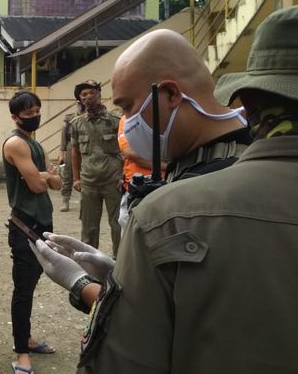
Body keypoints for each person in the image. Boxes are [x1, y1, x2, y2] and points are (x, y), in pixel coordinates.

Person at [31, 25, 264, 372]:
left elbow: (153, 335)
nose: (126, 122)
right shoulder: (204, 161)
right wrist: (124, 274)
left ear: (170, 94)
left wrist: (83, 287)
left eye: (128, 107)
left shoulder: (204, 193)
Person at [2, 91, 62, 373]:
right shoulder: (16, 143)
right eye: (28, 113)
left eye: (37, 110)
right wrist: (44, 176)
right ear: (15, 117)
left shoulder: (34, 145)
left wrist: (44, 176)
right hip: (24, 225)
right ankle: (22, 352)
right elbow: (39, 185)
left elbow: (57, 183)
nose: (34, 116)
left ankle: (26, 337)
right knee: (23, 290)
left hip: (43, 223)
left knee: (33, 284)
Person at [69, 80, 123, 257]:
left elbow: (126, 149)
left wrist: (125, 176)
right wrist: (76, 178)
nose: (87, 97)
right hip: (89, 182)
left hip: (114, 181)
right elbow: (75, 153)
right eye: (83, 95)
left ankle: (120, 261)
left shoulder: (116, 120)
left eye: (91, 93)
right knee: (89, 226)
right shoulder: (76, 124)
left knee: (118, 224)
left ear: (99, 94)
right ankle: (90, 261)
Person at [58, 102, 83, 212]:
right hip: (71, 147)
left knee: (87, 174)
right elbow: (64, 136)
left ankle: (85, 200)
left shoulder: (91, 118)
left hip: (86, 147)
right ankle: (65, 200)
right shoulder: (70, 118)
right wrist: (61, 153)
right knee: (68, 174)